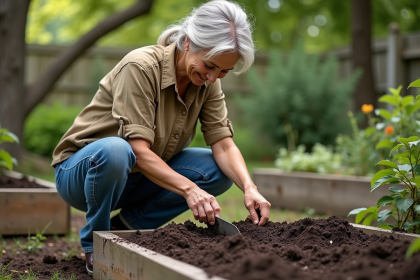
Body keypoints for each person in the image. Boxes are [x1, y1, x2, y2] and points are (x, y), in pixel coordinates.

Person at [51, 0, 271, 275]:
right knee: (117, 151)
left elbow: (224, 145)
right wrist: (190, 190)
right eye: (210, 65)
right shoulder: (141, 67)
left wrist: (249, 187)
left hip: (137, 178)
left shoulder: (207, 83)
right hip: (83, 174)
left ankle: (124, 229)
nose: (214, 77)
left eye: (224, 71)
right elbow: (137, 151)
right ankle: (96, 244)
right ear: (189, 42)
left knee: (216, 171)